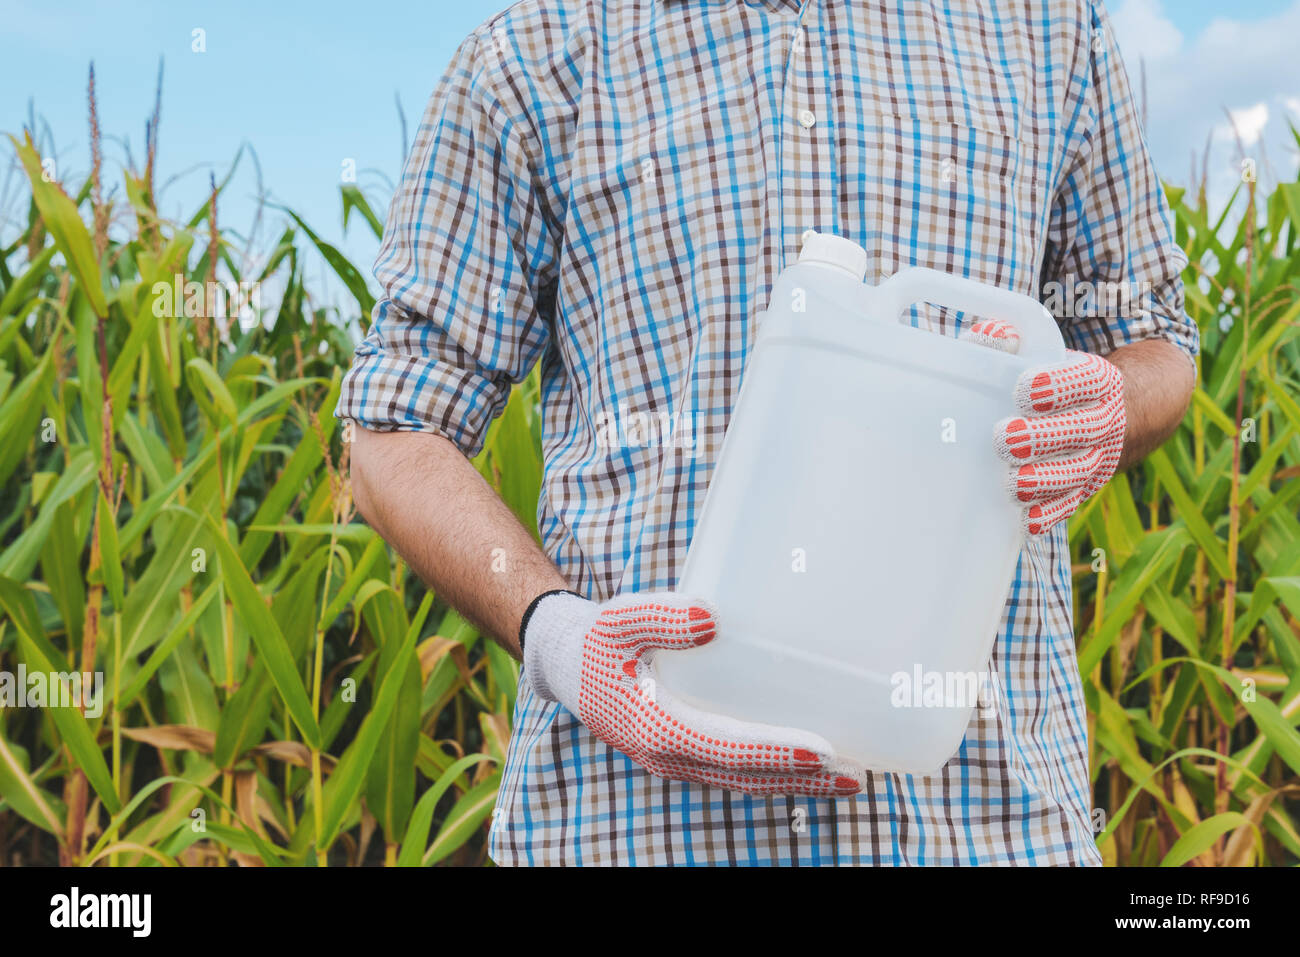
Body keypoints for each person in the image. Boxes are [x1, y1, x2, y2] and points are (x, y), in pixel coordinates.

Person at [338, 0, 1198, 865]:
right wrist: (559, 639)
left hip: (987, 826)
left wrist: (1112, 401)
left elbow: (1157, 340)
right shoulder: (532, 56)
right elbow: (392, 434)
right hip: (628, 826)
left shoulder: (1046, 31)